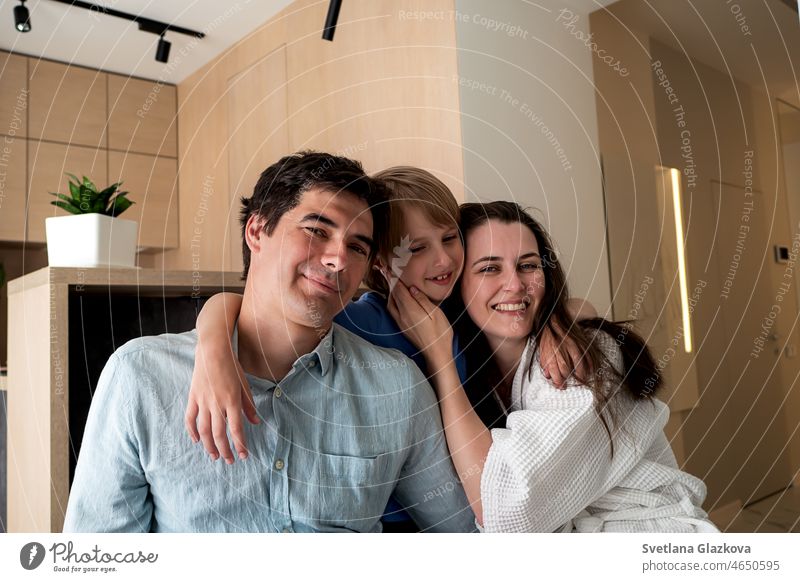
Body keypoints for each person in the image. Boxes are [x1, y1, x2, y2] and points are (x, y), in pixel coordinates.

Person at [63, 151, 475, 533]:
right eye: (317, 231)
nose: (338, 259)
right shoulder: (140, 376)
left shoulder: (398, 386)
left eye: (357, 246)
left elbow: (461, 534)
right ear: (257, 231)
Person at [185, 167, 593, 530]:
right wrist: (214, 349)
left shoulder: (459, 308)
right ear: (381, 261)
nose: (443, 259)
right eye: (416, 249)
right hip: (393, 517)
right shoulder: (360, 319)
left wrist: (559, 323)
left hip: (473, 501)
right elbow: (254, 310)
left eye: (450, 238)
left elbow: (568, 305)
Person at [388, 200, 718, 532]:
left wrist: (441, 360)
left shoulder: (582, 357)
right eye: (489, 268)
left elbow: (507, 511)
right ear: (458, 285)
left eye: (528, 266)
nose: (515, 285)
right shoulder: (475, 368)